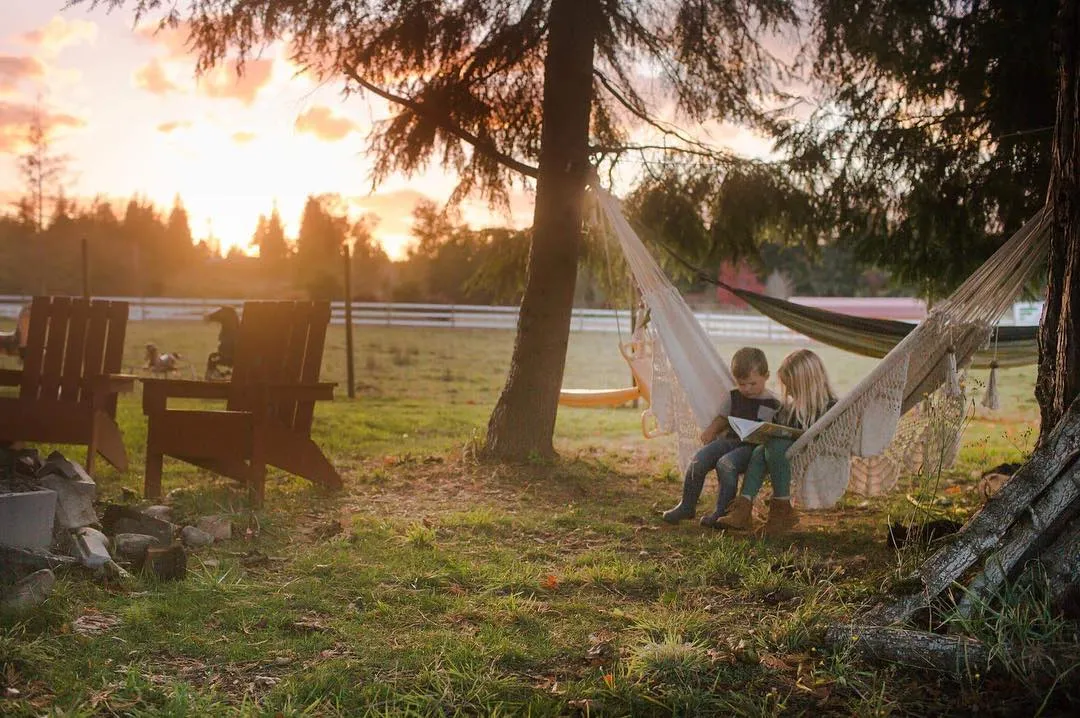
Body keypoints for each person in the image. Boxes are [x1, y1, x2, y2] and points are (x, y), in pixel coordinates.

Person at [716, 349, 837, 536]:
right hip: (782, 456)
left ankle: (782, 510)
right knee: (759, 451)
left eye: (791, 387)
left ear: (806, 384)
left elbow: (830, 438)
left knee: (775, 445)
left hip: (814, 455)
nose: (788, 392)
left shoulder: (831, 408)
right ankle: (743, 508)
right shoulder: (789, 410)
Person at [662, 347, 781, 526]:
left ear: (766, 376)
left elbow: (768, 432)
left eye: (752, 383)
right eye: (742, 384)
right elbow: (723, 417)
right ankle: (687, 505)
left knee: (725, 464)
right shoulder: (734, 396)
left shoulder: (772, 402)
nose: (747, 389)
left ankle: (722, 512)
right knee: (699, 460)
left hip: (751, 448)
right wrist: (711, 430)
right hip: (730, 440)